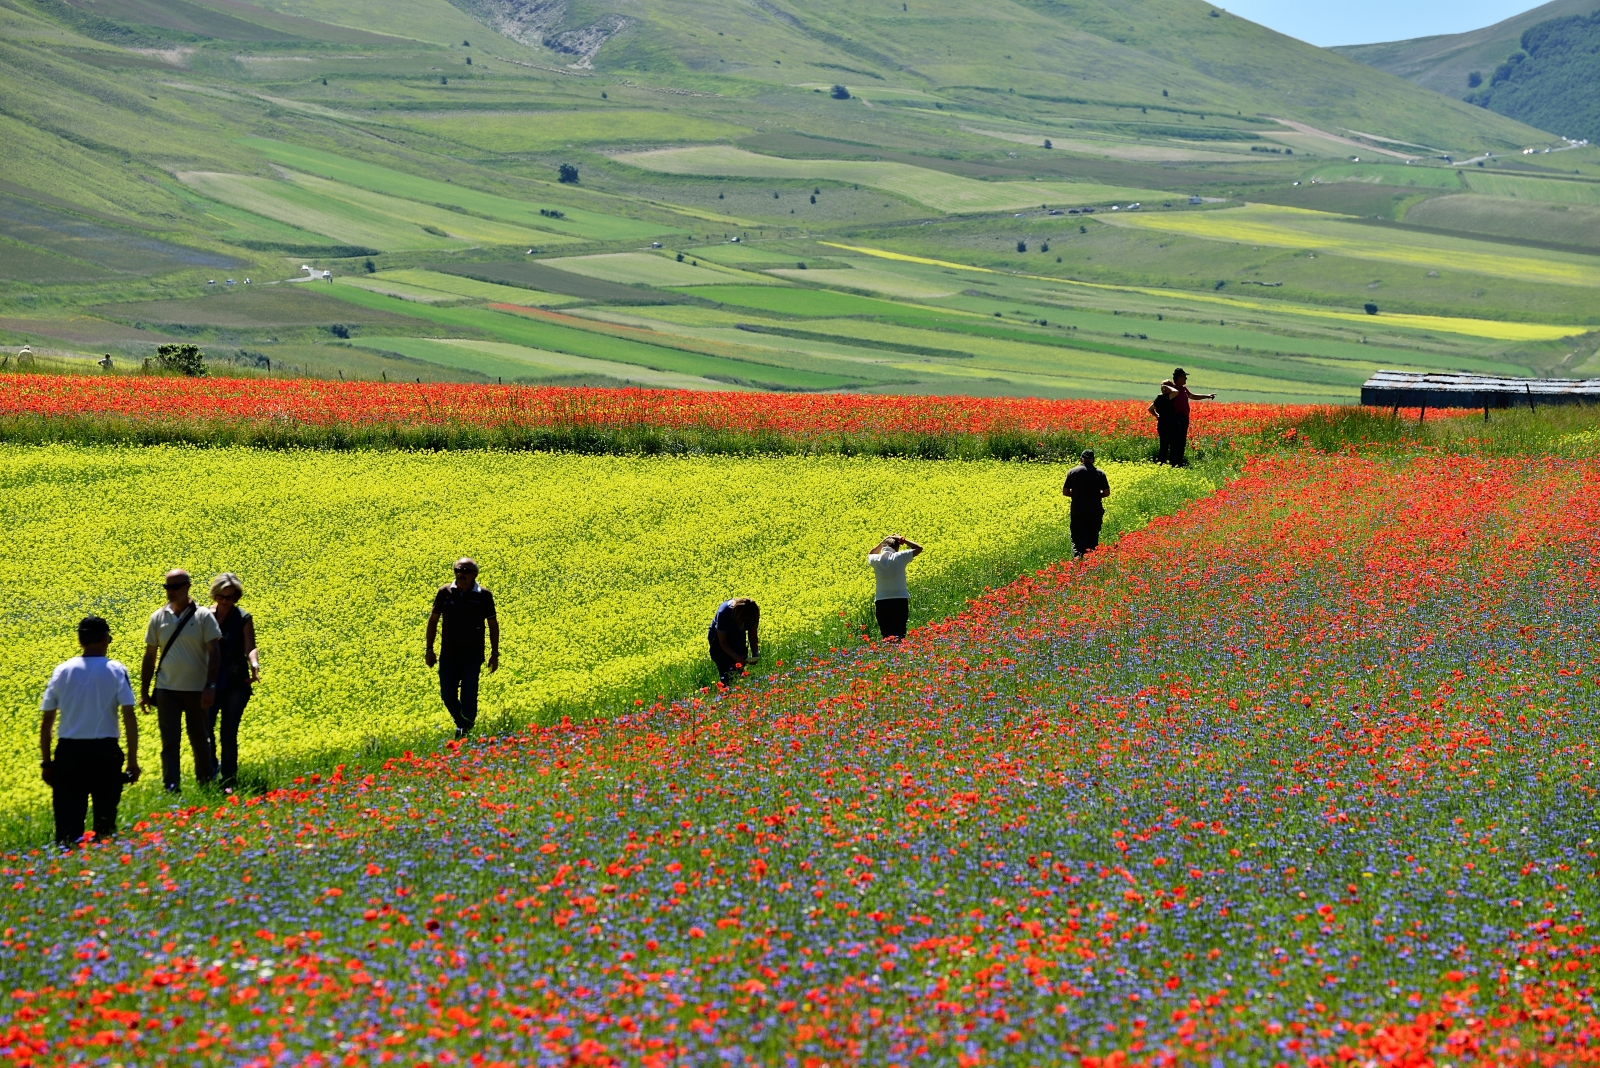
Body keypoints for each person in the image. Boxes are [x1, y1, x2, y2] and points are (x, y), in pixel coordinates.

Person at [41, 616, 140, 847]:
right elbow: (128, 716)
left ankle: (67, 872)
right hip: (105, 752)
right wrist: (132, 761)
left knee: (67, 826)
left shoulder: (61, 671)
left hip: (68, 752)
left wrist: (47, 763)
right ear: (106, 639)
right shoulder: (116, 670)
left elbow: (47, 722)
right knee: (105, 824)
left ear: (79, 640)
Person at [141, 569, 222, 793]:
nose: (171, 592)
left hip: (197, 690)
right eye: (167, 587)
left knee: (199, 739)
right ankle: (171, 787)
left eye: (176, 587)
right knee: (169, 741)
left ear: (188, 587)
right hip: (166, 690)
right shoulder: (158, 617)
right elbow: (150, 656)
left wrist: (210, 686)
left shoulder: (203, 616)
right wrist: (145, 691)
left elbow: (215, 652)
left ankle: (206, 783)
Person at [425, 558, 499, 739]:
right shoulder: (445, 592)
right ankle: (462, 724)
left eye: (466, 571)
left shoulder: (484, 596)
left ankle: (466, 729)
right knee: (447, 695)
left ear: (475, 574)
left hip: (473, 656)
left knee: (469, 697)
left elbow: (493, 624)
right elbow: (433, 621)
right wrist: (429, 649)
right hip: (448, 655)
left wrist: (494, 653)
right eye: (458, 570)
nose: (461, 574)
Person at [210, 572, 259, 790]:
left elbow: (250, 646)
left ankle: (229, 780)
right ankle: (209, 774)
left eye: (230, 597)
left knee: (229, 733)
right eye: (221, 596)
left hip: (236, 682)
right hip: (208, 681)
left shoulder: (243, 618)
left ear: (236, 598)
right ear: (215, 595)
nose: (225, 601)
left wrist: (254, 665)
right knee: (205, 731)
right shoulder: (203, 616)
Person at [868, 534, 923, 641]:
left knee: (886, 637)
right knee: (899, 635)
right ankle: (898, 656)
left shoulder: (875, 559)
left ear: (883, 547)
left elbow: (871, 553)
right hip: (899, 600)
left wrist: (883, 541)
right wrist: (904, 540)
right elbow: (919, 548)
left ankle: (888, 656)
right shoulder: (900, 557)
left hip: (881, 601)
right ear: (896, 548)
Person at [1062, 448, 1112, 558]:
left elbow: (1065, 492)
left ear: (1081, 459)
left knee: (1077, 536)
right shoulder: (1100, 473)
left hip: (1078, 509)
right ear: (1093, 460)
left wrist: (1077, 495)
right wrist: (1094, 496)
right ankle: (1091, 563)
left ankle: (1077, 560)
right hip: (1095, 509)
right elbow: (1107, 493)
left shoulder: (1072, 472)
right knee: (1093, 536)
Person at [1163, 368, 1216, 467]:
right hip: (1176, 419)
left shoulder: (1183, 388)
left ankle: (1179, 462)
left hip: (1184, 419)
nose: (1186, 378)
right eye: (1184, 377)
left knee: (1182, 441)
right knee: (1176, 441)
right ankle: (1173, 462)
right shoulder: (1173, 389)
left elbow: (1193, 396)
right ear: (1179, 378)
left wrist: (1207, 396)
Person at [707, 597, 760, 686]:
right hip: (718, 638)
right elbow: (722, 642)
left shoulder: (753, 612)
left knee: (739, 664)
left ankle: (737, 686)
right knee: (725, 664)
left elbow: (753, 636)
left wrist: (755, 653)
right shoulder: (724, 612)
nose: (746, 623)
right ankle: (727, 687)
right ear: (738, 615)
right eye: (744, 621)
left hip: (738, 634)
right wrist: (735, 656)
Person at [1148, 383, 1175, 464]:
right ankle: (1168, 461)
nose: (1163, 390)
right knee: (1170, 444)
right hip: (1169, 423)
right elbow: (1176, 392)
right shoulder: (1168, 396)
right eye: (1162, 388)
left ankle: (1162, 461)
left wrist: (1157, 415)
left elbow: (1150, 409)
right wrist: (1169, 388)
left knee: (1164, 444)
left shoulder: (1160, 397)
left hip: (1162, 422)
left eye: (1165, 388)